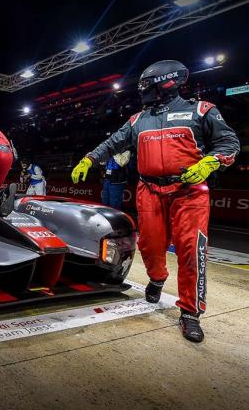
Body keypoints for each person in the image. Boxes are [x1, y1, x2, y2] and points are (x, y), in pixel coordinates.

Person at [71, 60, 239, 343]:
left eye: (146, 86)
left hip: (189, 191)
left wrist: (211, 161)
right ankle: (157, 278)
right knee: (149, 244)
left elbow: (229, 143)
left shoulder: (202, 110)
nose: (142, 92)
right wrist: (90, 158)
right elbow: (113, 143)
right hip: (148, 190)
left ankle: (190, 313)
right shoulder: (137, 119)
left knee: (190, 250)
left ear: (167, 83)